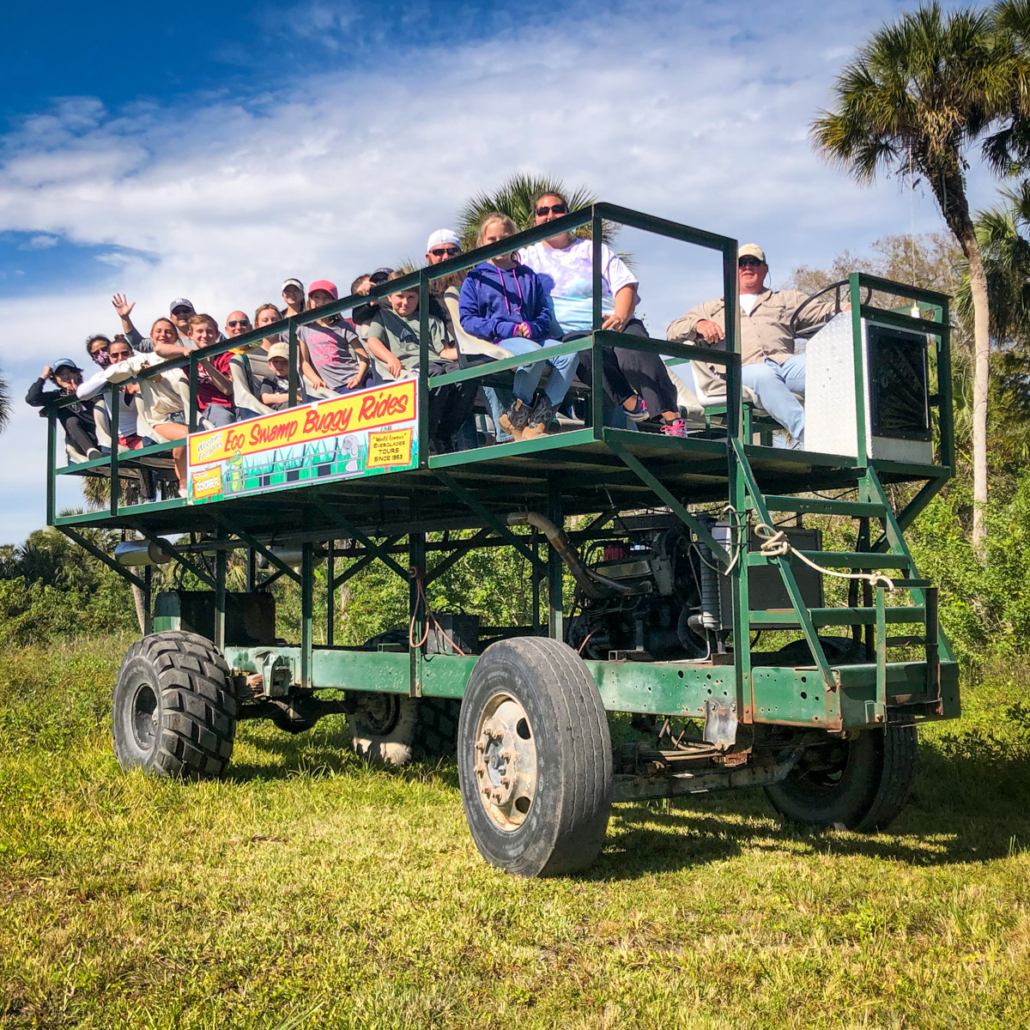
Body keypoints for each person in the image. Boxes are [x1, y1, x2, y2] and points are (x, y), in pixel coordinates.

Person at [521, 189, 690, 436]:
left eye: (557, 209)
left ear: (568, 215)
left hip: (612, 320)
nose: (550, 216)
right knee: (585, 353)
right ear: (534, 219)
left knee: (635, 351)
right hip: (571, 333)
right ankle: (632, 404)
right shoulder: (527, 256)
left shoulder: (591, 249)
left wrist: (620, 316)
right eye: (543, 211)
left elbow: (626, 285)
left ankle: (672, 419)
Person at [666, 244, 839, 447]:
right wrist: (699, 324)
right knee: (763, 375)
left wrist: (845, 307)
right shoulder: (713, 307)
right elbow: (672, 330)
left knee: (829, 368)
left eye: (754, 262)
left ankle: (853, 432)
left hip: (785, 364)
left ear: (765, 269)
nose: (748, 267)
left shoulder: (785, 299)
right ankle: (813, 438)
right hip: (740, 371)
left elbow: (823, 311)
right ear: (733, 271)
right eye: (742, 263)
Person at [459, 213, 576, 440]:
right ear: (482, 242)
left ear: (514, 238)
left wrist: (532, 328)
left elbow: (543, 313)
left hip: (532, 336)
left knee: (569, 355)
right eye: (492, 239)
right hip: (500, 338)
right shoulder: (475, 278)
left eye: (505, 237)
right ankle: (518, 419)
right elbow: (468, 320)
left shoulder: (527, 275)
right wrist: (507, 329)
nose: (499, 243)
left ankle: (536, 421)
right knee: (533, 355)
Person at [363, 270, 479, 453]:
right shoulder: (384, 317)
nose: (405, 302)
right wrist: (390, 358)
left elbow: (443, 352)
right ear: (390, 298)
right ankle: (427, 434)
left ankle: (445, 433)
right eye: (400, 296)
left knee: (466, 375)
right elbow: (372, 341)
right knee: (434, 374)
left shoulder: (430, 320)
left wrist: (473, 351)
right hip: (411, 366)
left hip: (436, 360)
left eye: (411, 297)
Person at [423, 231, 512, 445]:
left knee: (489, 361)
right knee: (473, 371)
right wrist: (366, 292)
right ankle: (497, 438)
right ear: (428, 257)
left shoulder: (476, 282)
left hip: (481, 347)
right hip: (444, 355)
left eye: (452, 251)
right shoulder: (421, 290)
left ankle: (513, 430)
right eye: (438, 252)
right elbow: (386, 305)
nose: (445, 257)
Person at [298, 280, 371, 395]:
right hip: (338, 386)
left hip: (357, 376)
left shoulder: (343, 326)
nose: (320, 302)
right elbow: (304, 362)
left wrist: (359, 378)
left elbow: (364, 357)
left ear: (334, 302)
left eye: (326, 298)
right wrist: (315, 379)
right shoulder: (304, 329)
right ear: (310, 301)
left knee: (381, 392)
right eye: (316, 297)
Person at [77, 336, 150, 450]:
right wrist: (113, 376)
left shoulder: (138, 367)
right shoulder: (103, 377)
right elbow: (82, 393)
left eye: (104, 349)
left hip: (150, 431)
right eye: (96, 353)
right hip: (128, 439)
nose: (120, 358)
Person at [26, 359, 100, 460]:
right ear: (56, 379)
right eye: (60, 374)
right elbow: (32, 399)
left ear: (77, 374)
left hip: (100, 437)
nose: (65, 377)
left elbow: (96, 417)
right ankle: (90, 451)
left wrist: (79, 396)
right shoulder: (57, 395)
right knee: (70, 419)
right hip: (82, 447)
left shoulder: (90, 389)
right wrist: (44, 377)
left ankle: (94, 451)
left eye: (69, 372)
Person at [259, 342, 293, 411]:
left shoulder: (297, 378)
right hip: (279, 411)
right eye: (275, 362)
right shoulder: (269, 379)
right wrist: (291, 396)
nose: (279, 365)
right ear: (270, 365)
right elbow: (265, 398)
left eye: (284, 362)